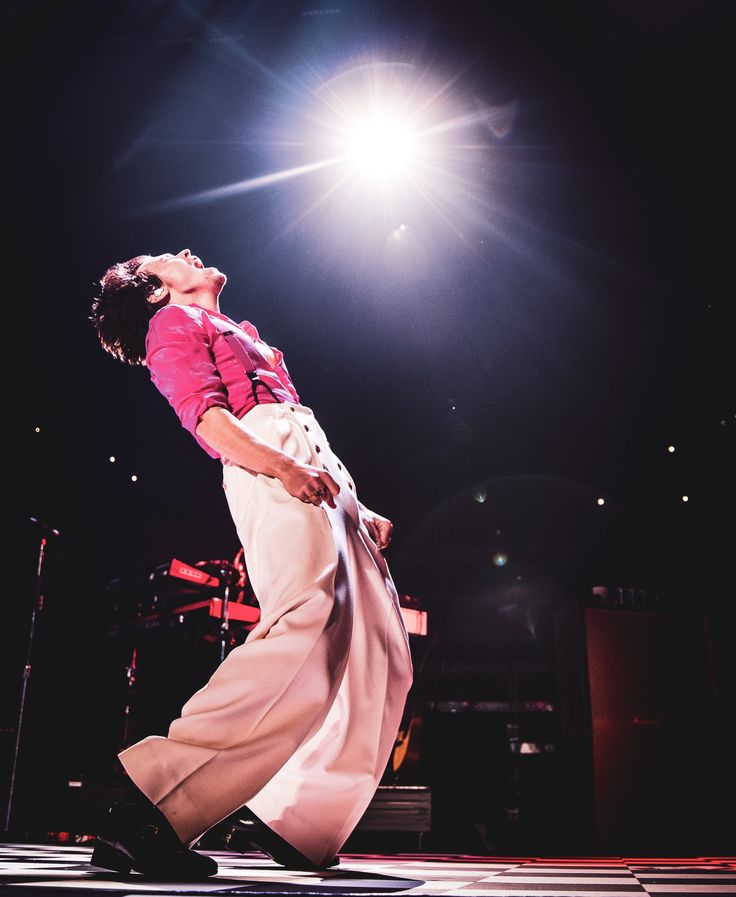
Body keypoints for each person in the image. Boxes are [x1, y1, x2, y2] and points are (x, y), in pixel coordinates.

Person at [88, 248, 414, 879]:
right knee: (306, 621)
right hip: (266, 459)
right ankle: (151, 811)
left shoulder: (239, 331)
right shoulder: (172, 325)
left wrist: (355, 504)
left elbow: (299, 429)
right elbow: (207, 419)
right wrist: (283, 466)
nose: (185, 252)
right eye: (166, 258)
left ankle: (293, 815)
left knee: (382, 650)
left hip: (310, 463)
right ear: (157, 293)